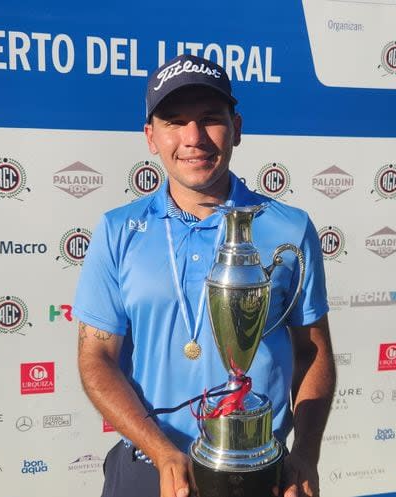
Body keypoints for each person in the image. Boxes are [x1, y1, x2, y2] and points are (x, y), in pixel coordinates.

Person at [74, 54, 335, 497]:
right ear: (150, 137)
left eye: (210, 120)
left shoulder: (288, 227)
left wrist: (306, 453)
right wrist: (160, 452)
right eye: (174, 122)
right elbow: (96, 359)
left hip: (256, 469)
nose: (193, 138)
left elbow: (313, 353)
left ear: (237, 127)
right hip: (151, 467)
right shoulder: (118, 230)